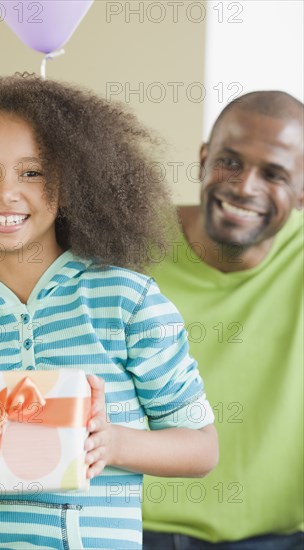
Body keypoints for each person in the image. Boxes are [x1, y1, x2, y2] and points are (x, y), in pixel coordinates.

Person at [0, 75, 218, 550]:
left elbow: (202, 447)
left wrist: (114, 443)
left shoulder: (127, 302)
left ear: (71, 181)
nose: (6, 193)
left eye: (32, 172)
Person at [143, 91, 303, 549]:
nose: (244, 186)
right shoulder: (128, 247)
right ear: (203, 159)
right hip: (129, 531)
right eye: (230, 162)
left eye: (273, 174)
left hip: (279, 540)